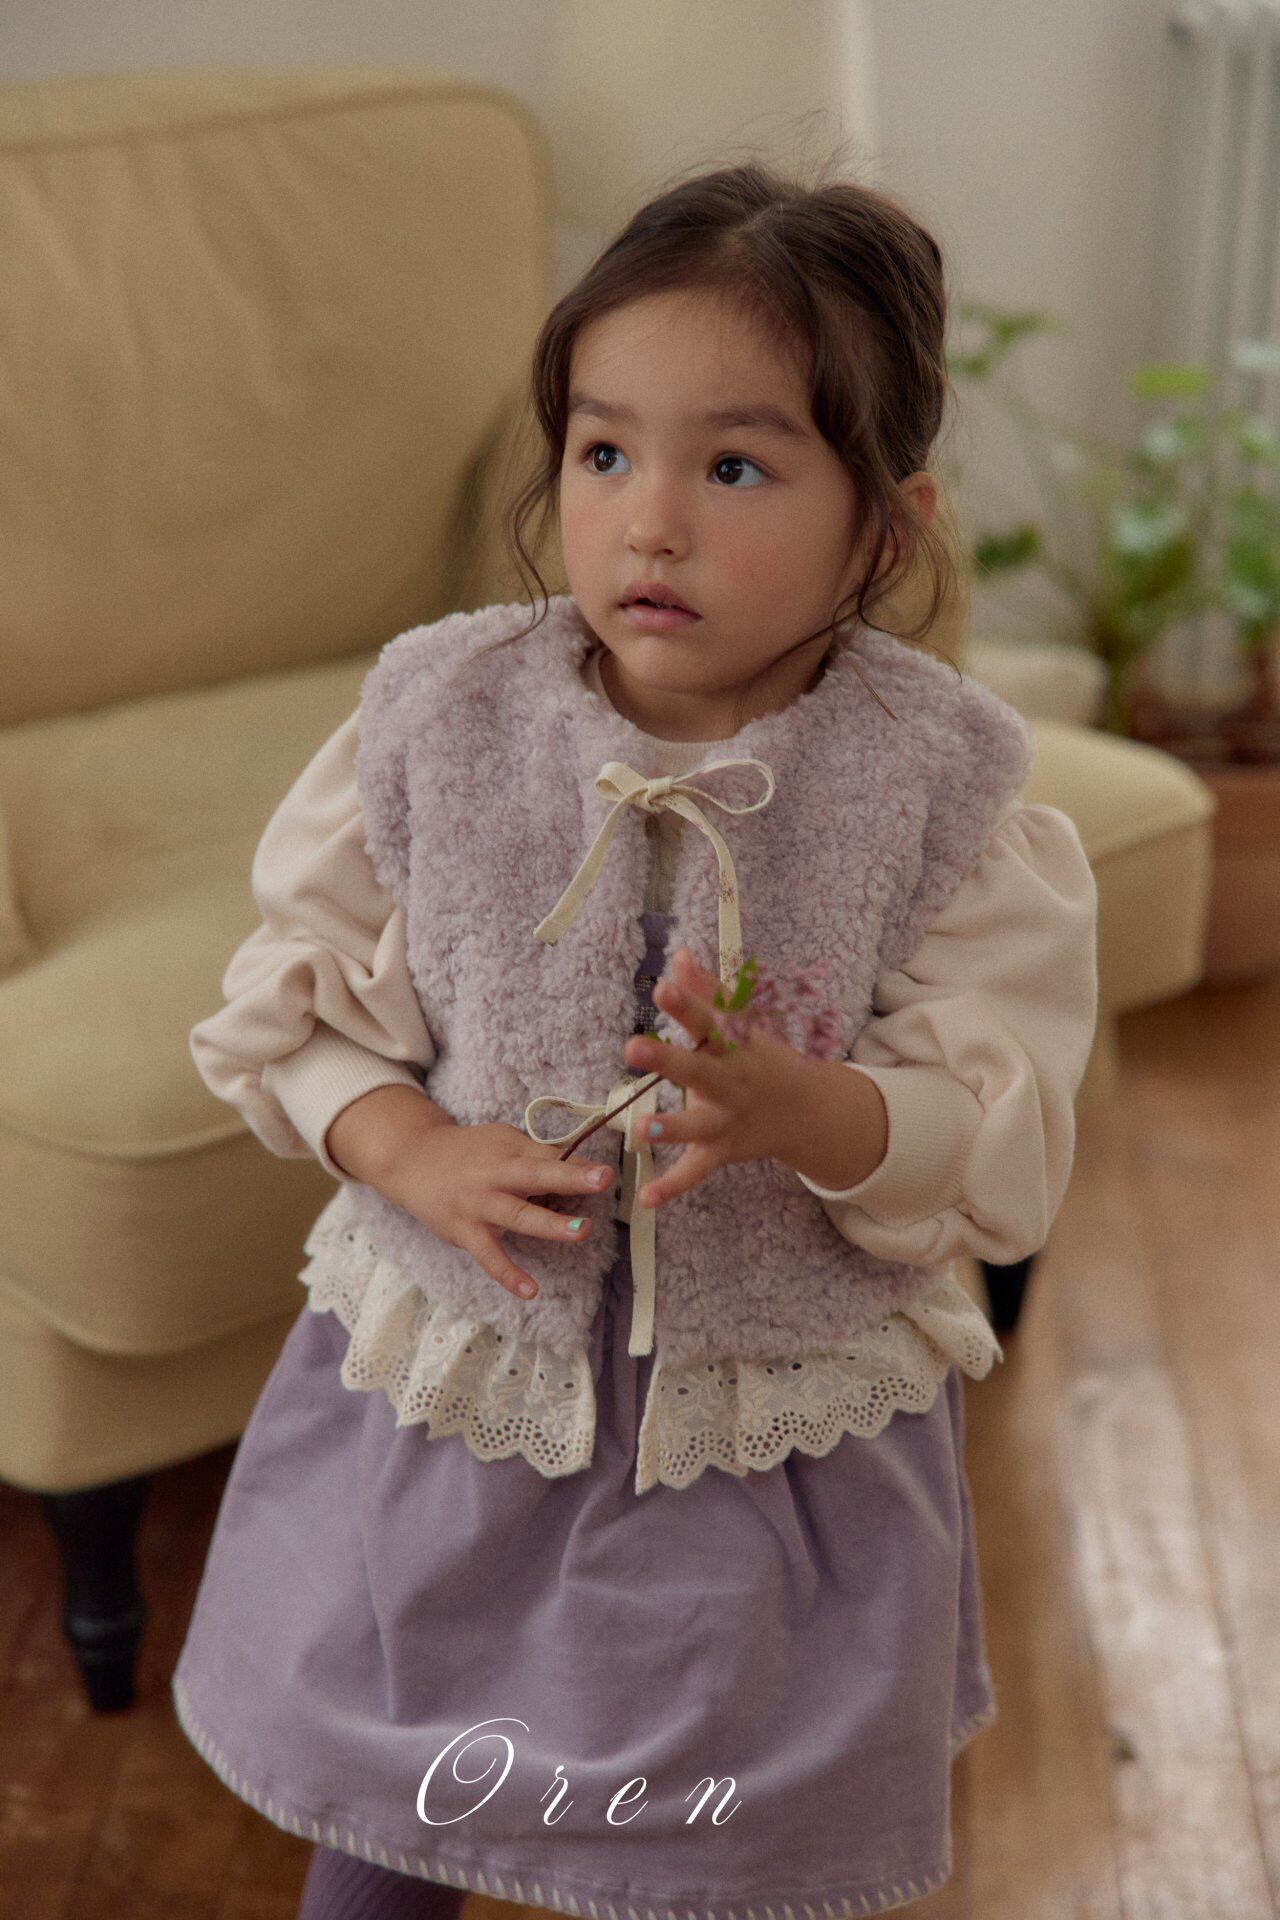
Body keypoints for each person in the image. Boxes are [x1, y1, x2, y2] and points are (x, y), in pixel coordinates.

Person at [172, 157, 1098, 1920]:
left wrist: (807, 1109)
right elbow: (289, 1011)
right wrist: (409, 1151)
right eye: (604, 454)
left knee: (730, 1861)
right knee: (391, 1831)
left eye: (734, 467)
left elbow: (996, 1132)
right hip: (458, 1421)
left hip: (758, 1464)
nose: (649, 522)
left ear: (884, 530)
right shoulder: (438, 723)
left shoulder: (945, 798)